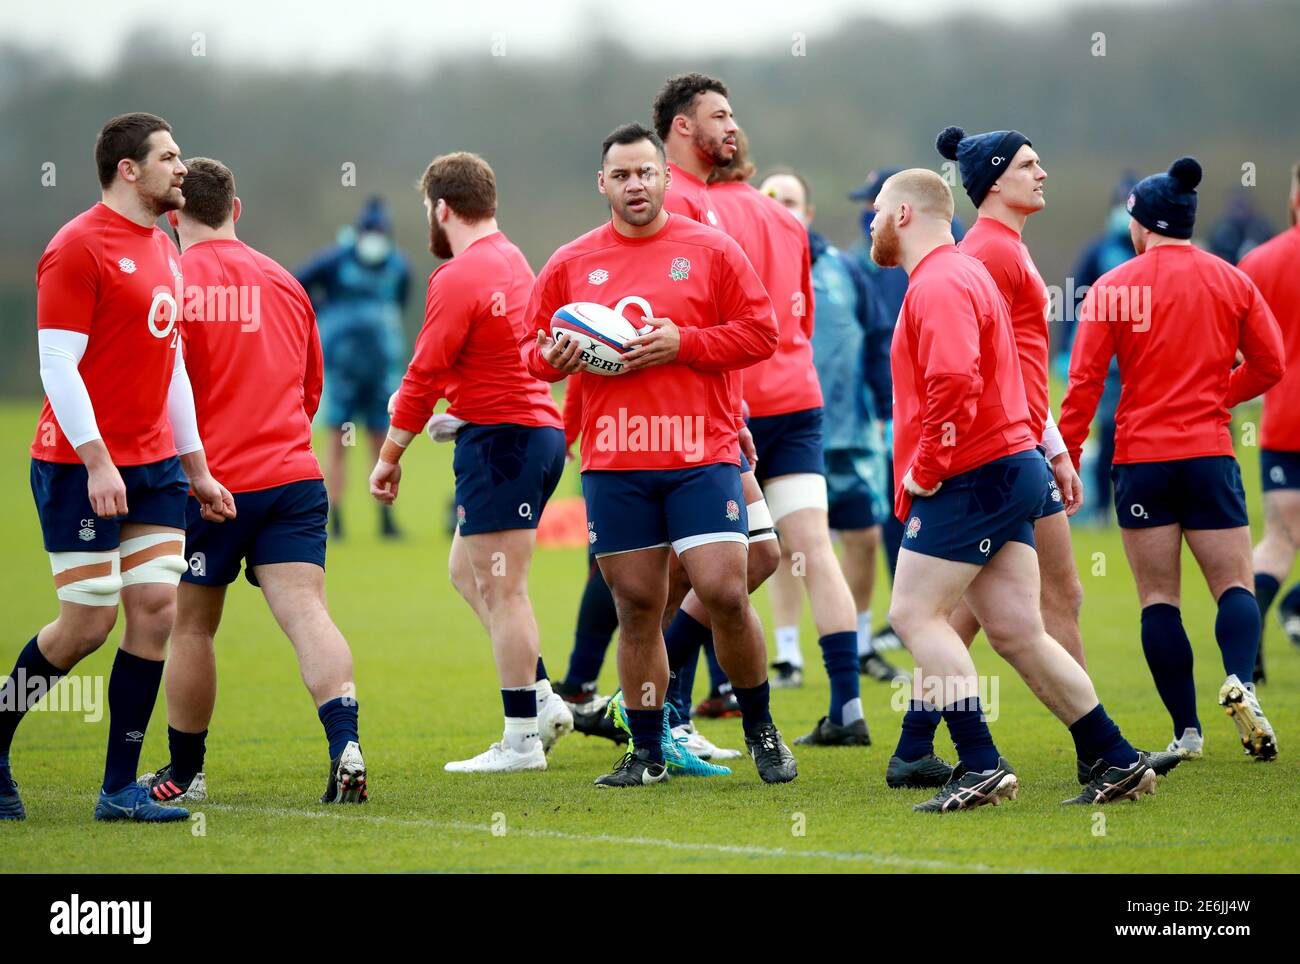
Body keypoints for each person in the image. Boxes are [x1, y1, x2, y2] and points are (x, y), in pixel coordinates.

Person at [875, 168, 1169, 811]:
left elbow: (954, 382)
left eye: (876, 210)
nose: (870, 224)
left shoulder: (942, 280)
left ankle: (979, 763)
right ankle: (1115, 757)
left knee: (913, 614)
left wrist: (926, 467)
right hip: (1009, 466)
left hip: (970, 473)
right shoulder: (967, 273)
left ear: (902, 214)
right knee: (1016, 630)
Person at [520, 122, 796, 786]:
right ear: (603, 183)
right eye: (621, 175)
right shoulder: (571, 262)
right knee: (637, 605)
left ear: (666, 176)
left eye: (645, 172)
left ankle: (760, 728)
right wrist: (550, 359)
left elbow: (762, 333)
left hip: (701, 453)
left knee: (725, 590)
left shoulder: (713, 250)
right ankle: (647, 751)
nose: (635, 185)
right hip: (616, 461)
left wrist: (686, 344)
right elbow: (531, 352)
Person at [0, 113, 235, 822]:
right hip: (79, 467)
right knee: (86, 626)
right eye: (168, 157)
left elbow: (170, 368)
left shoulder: (164, 245)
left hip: (157, 467)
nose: (182, 168)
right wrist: (99, 461)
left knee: (157, 614)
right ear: (127, 169)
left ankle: (117, 789)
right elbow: (57, 364)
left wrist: (196, 468)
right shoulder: (77, 247)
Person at [137, 157, 367, 804]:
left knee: (191, 628)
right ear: (237, 209)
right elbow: (311, 390)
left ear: (173, 215)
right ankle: (344, 741)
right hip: (294, 477)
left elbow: (157, 392)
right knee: (307, 613)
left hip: (206, 488)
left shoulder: (169, 284)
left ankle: (186, 773)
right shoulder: (287, 282)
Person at [1059, 157, 1285, 762]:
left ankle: (1187, 732)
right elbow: (1271, 365)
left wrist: (1067, 457)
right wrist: (1218, 394)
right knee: (1234, 584)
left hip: (1142, 459)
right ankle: (1239, 676)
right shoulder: (1231, 280)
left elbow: (1082, 383)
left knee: (1159, 599)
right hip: (1210, 454)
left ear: (1144, 225)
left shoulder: (1113, 286)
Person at [368, 152, 573, 773]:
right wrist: (461, 410)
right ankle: (539, 700)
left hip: (503, 445)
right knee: (467, 572)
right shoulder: (512, 257)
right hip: (533, 437)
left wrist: (388, 455)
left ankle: (520, 742)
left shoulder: (456, 275)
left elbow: (424, 371)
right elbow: (503, 357)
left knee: (505, 591)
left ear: (440, 208)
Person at [759, 168, 905, 688]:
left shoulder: (846, 269)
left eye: (791, 199)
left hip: (846, 434)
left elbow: (878, 343)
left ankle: (861, 643)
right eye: (771, 199)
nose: (781, 207)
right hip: (783, 430)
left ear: (809, 211)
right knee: (785, 548)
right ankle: (789, 655)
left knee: (862, 537)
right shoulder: (750, 269)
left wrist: (889, 417)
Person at [297, 196, 410, 540]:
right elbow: (296, 283)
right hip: (343, 369)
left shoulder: (397, 266)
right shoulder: (335, 261)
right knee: (338, 444)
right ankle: (336, 517)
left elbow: (400, 303)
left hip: (380, 371)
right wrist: (323, 311)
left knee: (383, 443)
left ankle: (386, 518)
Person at [1241, 162, 1300, 683]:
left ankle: (1250, 642)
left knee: (1280, 539)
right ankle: (1292, 608)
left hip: (1283, 417)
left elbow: (1237, 345)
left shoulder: (1260, 261)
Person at [1055, 174, 1138, 525]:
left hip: (1143, 361)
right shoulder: (1098, 251)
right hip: (1109, 364)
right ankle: (1103, 506)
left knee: (1135, 434)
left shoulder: (1146, 249)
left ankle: (1133, 502)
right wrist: (1064, 350)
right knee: (1108, 430)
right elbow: (1073, 299)